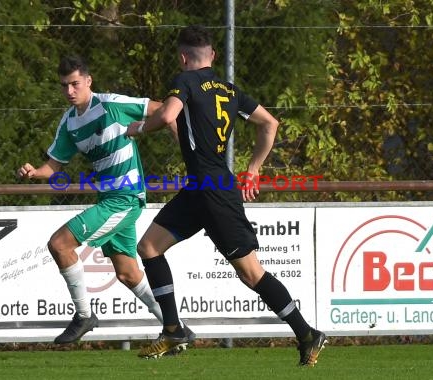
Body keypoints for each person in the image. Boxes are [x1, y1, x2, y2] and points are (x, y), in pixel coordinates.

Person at [126, 25, 326, 366]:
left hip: (214, 192)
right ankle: (173, 328)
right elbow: (270, 124)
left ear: (183, 57)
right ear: (214, 56)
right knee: (148, 247)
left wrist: (141, 128)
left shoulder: (185, 81)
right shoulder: (230, 90)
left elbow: (169, 114)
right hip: (201, 188)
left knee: (251, 273)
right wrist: (254, 168)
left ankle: (306, 333)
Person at [17, 55, 193, 345]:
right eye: (64, 86)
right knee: (127, 274)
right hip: (109, 198)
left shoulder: (111, 104)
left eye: (75, 84)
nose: (69, 91)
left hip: (125, 199)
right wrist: (34, 172)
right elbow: (53, 167)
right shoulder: (69, 123)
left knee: (59, 244)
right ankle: (178, 330)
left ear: (88, 81)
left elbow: (165, 110)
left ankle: (84, 315)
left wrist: (187, 152)